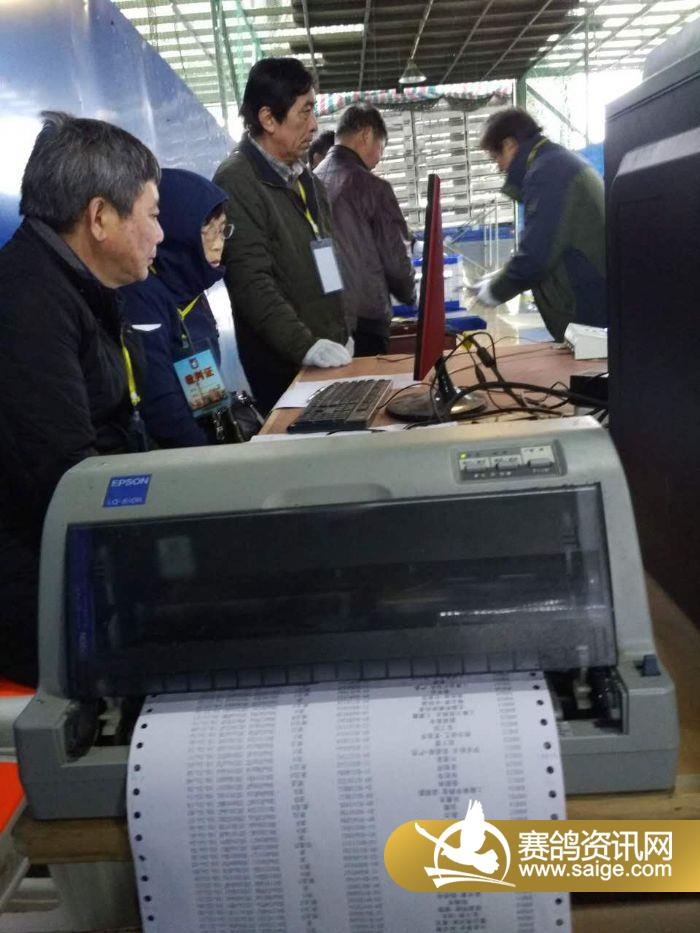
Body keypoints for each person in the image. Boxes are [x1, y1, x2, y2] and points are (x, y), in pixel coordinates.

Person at [0, 111, 163, 685]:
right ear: (99, 217)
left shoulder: (77, 289)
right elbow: (68, 482)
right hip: (42, 606)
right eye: (152, 215)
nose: (160, 235)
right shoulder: (27, 304)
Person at [214, 57, 351, 415]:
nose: (314, 124)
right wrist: (306, 347)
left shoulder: (308, 181)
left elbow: (327, 259)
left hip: (329, 355)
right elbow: (251, 283)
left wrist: (342, 329)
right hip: (284, 370)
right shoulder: (237, 181)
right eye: (304, 111)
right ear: (268, 119)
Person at [120, 168, 234, 447]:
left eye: (223, 231)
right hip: (171, 454)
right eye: (207, 232)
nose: (218, 245)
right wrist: (208, 458)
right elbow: (161, 409)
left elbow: (206, 391)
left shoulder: (191, 286)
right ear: (178, 233)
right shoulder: (141, 296)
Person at [475, 107, 606, 342]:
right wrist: (501, 276)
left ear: (509, 145)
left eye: (496, 158)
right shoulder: (557, 162)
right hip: (594, 300)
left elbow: (535, 257)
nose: (500, 167)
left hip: (589, 310)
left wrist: (494, 291)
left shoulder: (548, 173)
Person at [315, 104, 415, 356]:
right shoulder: (372, 187)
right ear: (366, 135)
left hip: (322, 321)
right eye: (381, 147)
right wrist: (410, 294)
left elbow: (320, 251)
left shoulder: (308, 183)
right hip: (366, 319)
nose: (379, 157)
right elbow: (396, 261)